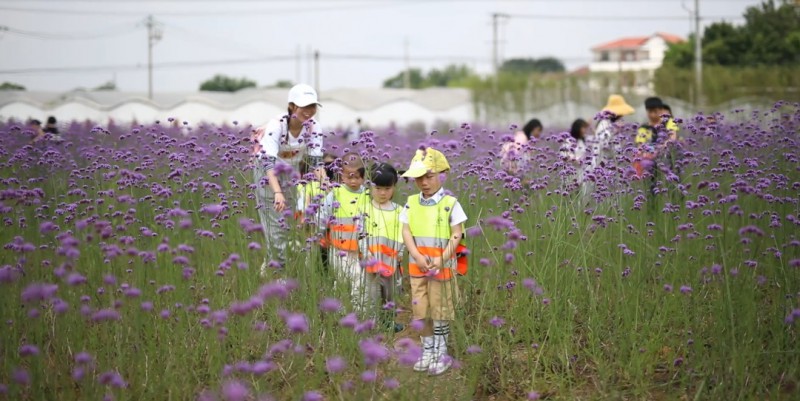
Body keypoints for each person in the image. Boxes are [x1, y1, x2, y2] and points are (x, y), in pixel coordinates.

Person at [400, 147, 468, 376]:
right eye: (418, 178)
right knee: (421, 309)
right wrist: (417, 256)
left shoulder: (450, 203)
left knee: (441, 310)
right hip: (417, 268)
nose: (423, 183)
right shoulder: (410, 203)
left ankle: (441, 352)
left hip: (442, 268)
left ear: (443, 174)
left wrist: (442, 258)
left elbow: (456, 234)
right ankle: (427, 349)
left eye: (428, 176)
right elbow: (406, 232)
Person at [252, 83, 326, 275]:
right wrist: (277, 192)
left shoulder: (314, 127)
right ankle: (280, 273)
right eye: (304, 107)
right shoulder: (276, 125)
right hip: (267, 172)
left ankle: (270, 262)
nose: (309, 112)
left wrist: (326, 183)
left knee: (285, 222)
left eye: (313, 106)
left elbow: (316, 161)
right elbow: (268, 162)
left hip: (291, 170)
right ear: (292, 106)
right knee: (275, 224)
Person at [318, 152, 370, 311]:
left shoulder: (367, 195)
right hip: (338, 249)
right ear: (341, 175)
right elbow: (322, 213)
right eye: (349, 176)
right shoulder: (336, 193)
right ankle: (338, 310)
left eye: (358, 177)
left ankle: (358, 311)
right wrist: (319, 232)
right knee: (341, 280)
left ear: (364, 176)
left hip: (359, 250)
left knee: (359, 280)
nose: (354, 181)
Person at [361, 162, 405, 333]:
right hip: (370, 259)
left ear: (394, 187)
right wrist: (366, 254)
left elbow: (403, 234)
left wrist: (400, 252)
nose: (382, 193)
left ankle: (388, 321)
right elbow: (360, 233)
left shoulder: (399, 211)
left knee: (390, 293)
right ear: (370, 186)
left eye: (387, 188)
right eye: (378, 188)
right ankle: (373, 324)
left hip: (392, 261)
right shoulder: (365, 208)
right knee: (372, 293)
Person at [591, 94, 635, 170]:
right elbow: (604, 144)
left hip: (611, 167)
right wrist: (614, 131)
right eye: (621, 115)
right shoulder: (604, 124)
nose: (622, 116)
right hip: (602, 168)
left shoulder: (611, 124)